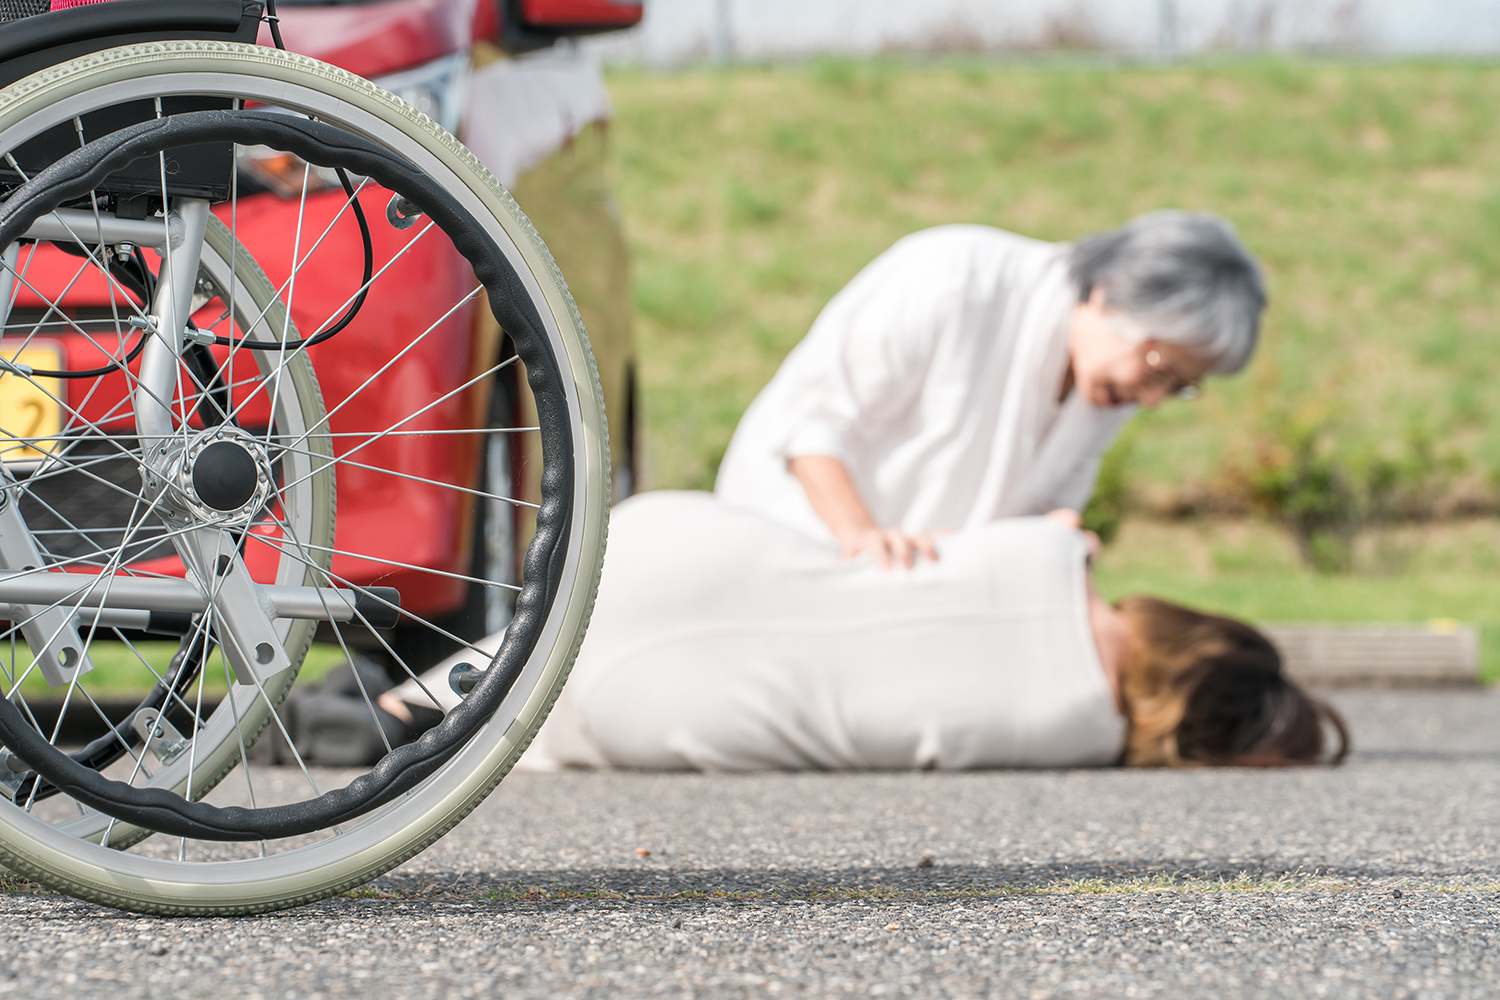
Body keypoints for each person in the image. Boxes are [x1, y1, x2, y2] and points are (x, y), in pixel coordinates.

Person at [381, 492, 1348, 771]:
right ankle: (419, 715)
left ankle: (396, 694)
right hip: (663, 714)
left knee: (551, 632)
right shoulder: (1081, 733)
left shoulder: (1053, 547)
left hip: (666, 541)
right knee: (551, 712)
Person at [715, 212, 1266, 569]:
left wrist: (1053, 543)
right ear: (1112, 294)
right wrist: (861, 537)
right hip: (785, 553)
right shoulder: (954, 279)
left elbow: (1040, 508)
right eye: (1158, 369)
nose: (1150, 399)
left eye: (1178, 387)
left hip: (911, 590)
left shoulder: (1106, 385)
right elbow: (813, 423)